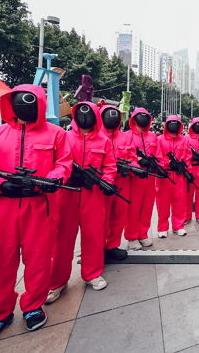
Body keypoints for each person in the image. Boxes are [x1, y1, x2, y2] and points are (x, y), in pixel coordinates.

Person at [0, 85, 71, 348]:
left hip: (40, 207)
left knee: (38, 260)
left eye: (31, 101)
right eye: (19, 101)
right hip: (1, 209)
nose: (25, 106)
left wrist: (52, 179)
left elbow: (64, 163)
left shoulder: (57, 134)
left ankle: (33, 306)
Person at [48, 101, 117, 303]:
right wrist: (65, 176)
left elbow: (110, 167)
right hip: (66, 195)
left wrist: (106, 182)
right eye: (80, 113)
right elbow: (56, 163)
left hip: (93, 195)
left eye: (89, 114)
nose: (84, 117)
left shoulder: (104, 140)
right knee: (61, 239)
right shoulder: (64, 137)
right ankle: (57, 281)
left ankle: (92, 273)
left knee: (94, 236)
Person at [124, 108, 158, 250]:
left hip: (150, 176)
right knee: (134, 207)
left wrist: (155, 162)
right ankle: (132, 237)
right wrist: (138, 160)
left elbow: (158, 154)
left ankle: (143, 234)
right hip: (135, 177)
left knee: (147, 207)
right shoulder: (127, 136)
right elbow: (125, 154)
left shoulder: (153, 136)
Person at [99, 105, 130, 262]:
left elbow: (132, 158)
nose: (112, 119)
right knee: (100, 219)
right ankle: (98, 248)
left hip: (122, 182)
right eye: (108, 116)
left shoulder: (125, 137)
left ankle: (112, 246)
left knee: (119, 216)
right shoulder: (96, 137)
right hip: (101, 186)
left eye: (115, 116)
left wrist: (135, 167)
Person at [156, 115, 192, 236]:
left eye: (176, 123)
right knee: (163, 203)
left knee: (180, 201)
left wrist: (186, 167)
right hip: (165, 175)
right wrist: (168, 163)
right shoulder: (160, 139)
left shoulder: (184, 140)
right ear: (166, 125)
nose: (173, 125)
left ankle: (178, 226)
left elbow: (188, 156)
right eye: (171, 122)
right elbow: (158, 157)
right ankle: (162, 228)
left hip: (179, 175)